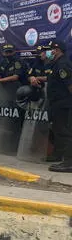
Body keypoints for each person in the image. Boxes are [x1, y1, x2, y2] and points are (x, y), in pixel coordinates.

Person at [44, 41, 72, 172]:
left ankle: (69, 163)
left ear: (58, 50)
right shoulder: (55, 64)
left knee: (64, 133)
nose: (50, 52)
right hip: (56, 103)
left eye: (51, 49)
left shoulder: (63, 64)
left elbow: (70, 85)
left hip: (63, 104)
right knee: (57, 130)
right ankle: (58, 155)